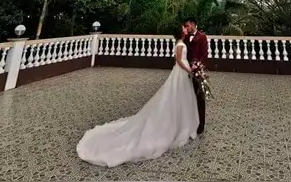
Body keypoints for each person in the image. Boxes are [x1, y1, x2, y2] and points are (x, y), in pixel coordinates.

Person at [76, 25, 200, 167]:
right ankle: (177, 126)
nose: (185, 28)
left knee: (181, 98)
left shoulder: (182, 43)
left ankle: (182, 124)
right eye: (183, 28)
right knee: (175, 97)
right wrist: (189, 70)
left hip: (181, 73)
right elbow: (178, 60)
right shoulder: (179, 44)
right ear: (180, 33)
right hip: (181, 71)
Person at [183, 18, 208, 136]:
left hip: (197, 71)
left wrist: (198, 66)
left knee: (200, 97)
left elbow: (205, 55)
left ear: (193, 25)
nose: (186, 28)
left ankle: (201, 124)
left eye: (188, 26)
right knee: (188, 96)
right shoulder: (186, 37)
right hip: (186, 71)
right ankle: (190, 120)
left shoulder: (202, 37)